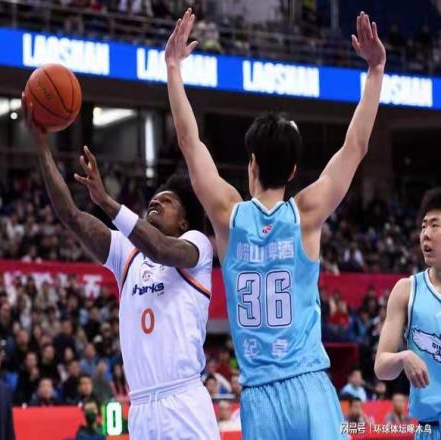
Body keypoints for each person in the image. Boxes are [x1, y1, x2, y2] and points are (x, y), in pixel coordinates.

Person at [165, 8, 385, 439]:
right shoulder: (306, 214)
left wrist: (173, 68)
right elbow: (356, 146)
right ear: (293, 170)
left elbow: (190, 143)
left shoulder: (228, 215)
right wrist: (375, 70)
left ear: (251, 164)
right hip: (309, 386)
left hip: (261, 397)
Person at [23, 100, 219, 439]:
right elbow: (72, 217)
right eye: (153, 199)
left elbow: (160, 249)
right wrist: (41, 145)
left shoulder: (196, 246)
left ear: (184, 222)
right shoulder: (126, 253)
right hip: (140, 407)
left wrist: (106, 201)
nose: (155, 202)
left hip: (184, 400)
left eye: (167, 201)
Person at [375, 188, 441, 440]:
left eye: (435, 225)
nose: (425, 234)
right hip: (428, 429)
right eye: (423, 226)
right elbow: (382, 368)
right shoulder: (406, 290)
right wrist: (403, 356)